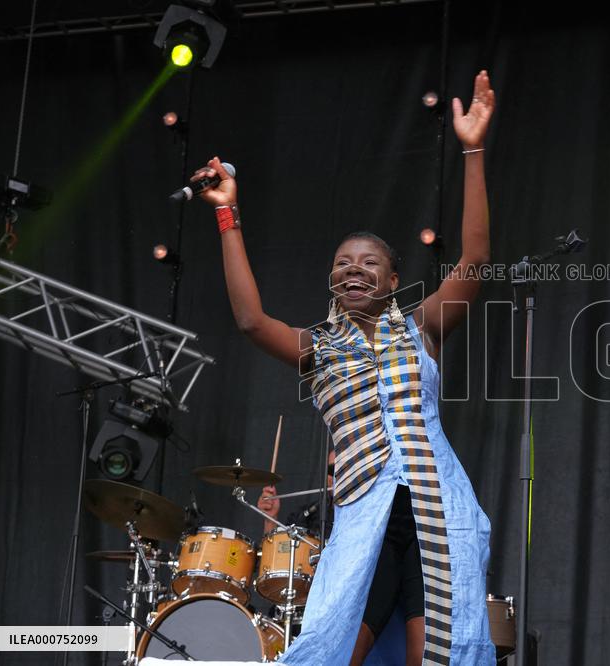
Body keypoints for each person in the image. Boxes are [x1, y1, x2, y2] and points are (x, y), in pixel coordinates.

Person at [142, 71, 496, 666]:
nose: (352, 270)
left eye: (368, 264)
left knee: (445, 655)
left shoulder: (423, 327)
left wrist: (473, 149)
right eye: (341, 263)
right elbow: (253, 321)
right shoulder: (318, 346)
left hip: (437, 517)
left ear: (391, 279)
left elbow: (477, 258)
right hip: (366, 527)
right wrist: (227, 214)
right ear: (331, 279)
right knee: (330, 650)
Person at [257, 449, 335, 539]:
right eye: (331, 470)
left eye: (341, 469)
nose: (335, 476)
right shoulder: (304, 516)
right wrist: (270, 520)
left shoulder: (354, 519)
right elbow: (279, 550)